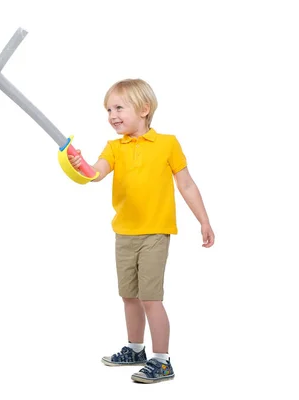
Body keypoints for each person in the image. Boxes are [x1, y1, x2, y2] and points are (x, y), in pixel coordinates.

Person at [69, 78, 214, 384]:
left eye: (119, 107)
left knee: (151, 298)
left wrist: (203, 220)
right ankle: (136, 349)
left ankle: (162, 360)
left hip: (155, 233)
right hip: (124, 233)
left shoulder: (168, 144)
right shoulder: (114, 147)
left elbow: (186, 184)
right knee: (129, 296)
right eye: (108, 109)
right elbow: (95, 174)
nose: (112, 115)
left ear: (145, 109)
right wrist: (77, 163)